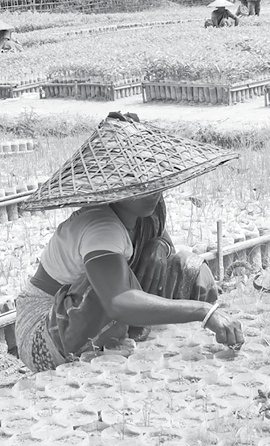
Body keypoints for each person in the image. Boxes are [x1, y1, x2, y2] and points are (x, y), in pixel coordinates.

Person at [15, 112, 244, 372]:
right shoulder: (102, 227)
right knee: (103, 291)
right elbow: (117, 302)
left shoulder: (148, 211)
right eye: (139, 184)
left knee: (188, 267)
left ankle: (186, 344)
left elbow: (163, 245)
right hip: (47, 331)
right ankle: (103, 362)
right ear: (115, 186)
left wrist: (159, 247)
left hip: (99, 311)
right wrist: (203, 311)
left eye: (156, 180)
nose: (152, 192)